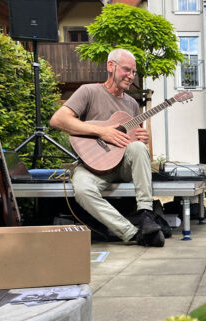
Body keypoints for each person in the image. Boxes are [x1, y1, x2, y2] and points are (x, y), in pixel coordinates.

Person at [50, 48, 164, 247]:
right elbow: (58, 120)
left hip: (123, 166)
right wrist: (101, 132)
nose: (131, 76)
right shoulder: (89, 91)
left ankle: (146, 215)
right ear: (111, 66)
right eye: (127, 70)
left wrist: (141, 139)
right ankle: (131, 233)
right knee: (82, 189)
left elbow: (131, 141)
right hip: (94, 167)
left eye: (133, 72)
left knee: (137, 148)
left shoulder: (132, 104)